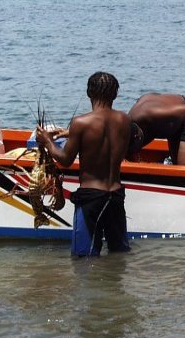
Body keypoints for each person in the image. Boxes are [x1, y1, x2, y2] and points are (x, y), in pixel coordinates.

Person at [35, 71, 132, 257]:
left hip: (91, 198)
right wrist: (71, 134)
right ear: (116, 94)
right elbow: (106, 139)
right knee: (119, 254)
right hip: (116, 196)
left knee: (83, 258)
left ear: (89, 93)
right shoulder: (125, 120)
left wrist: (47, 141)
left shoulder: (81, 123)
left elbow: (65, 159)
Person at [127, 93, 185, 166]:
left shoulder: (153, 113)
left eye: (136, 147)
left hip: (183, 118)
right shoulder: (125, 126)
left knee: (184, 168)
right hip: (163, 124)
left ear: (137, 136)